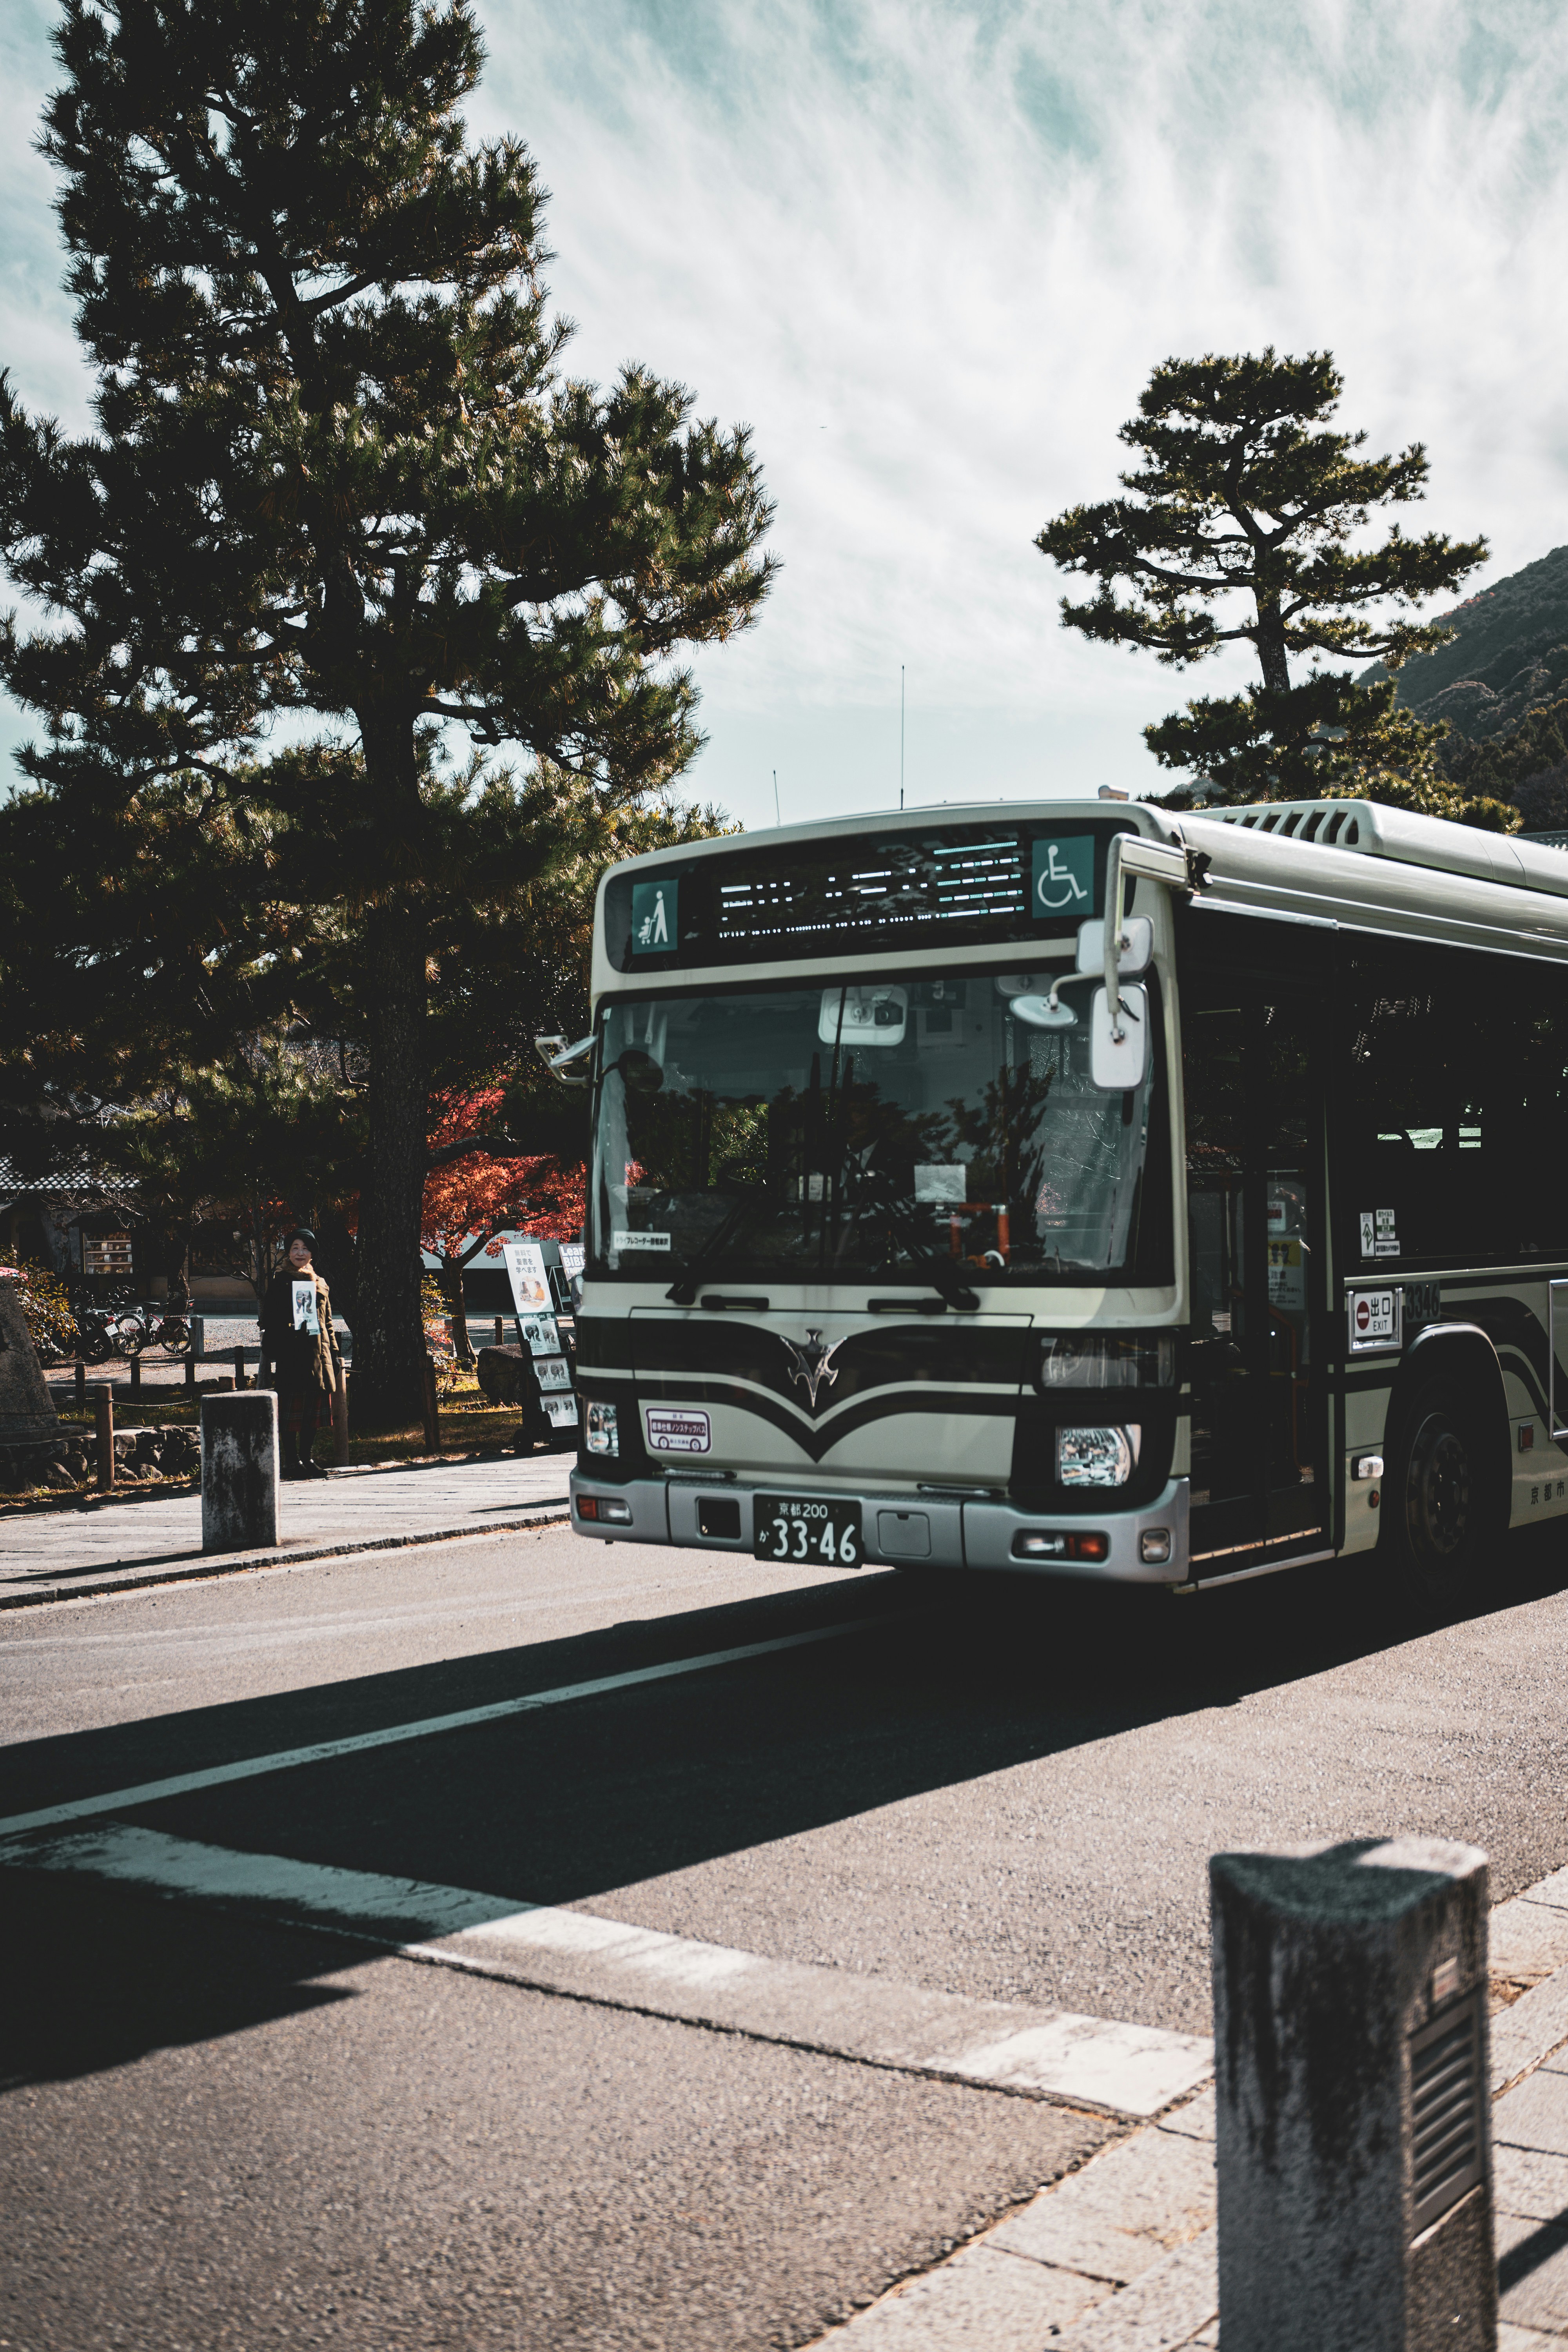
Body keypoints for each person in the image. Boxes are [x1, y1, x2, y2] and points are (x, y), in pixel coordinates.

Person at [260, 1229, 343, 1479]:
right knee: (291, 1411)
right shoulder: (280, 1282)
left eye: (305, 1249)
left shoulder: (321, 1283)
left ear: (312, 1254)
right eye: (295, 1248)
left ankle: (307, 1458)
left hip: (318, 1354)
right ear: (288, 1252)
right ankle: (291, 1461)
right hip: (292, 1353)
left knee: (313, 1412)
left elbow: (328, 1322)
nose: (300, 1253)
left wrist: (335, 1354)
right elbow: (268, 1320)